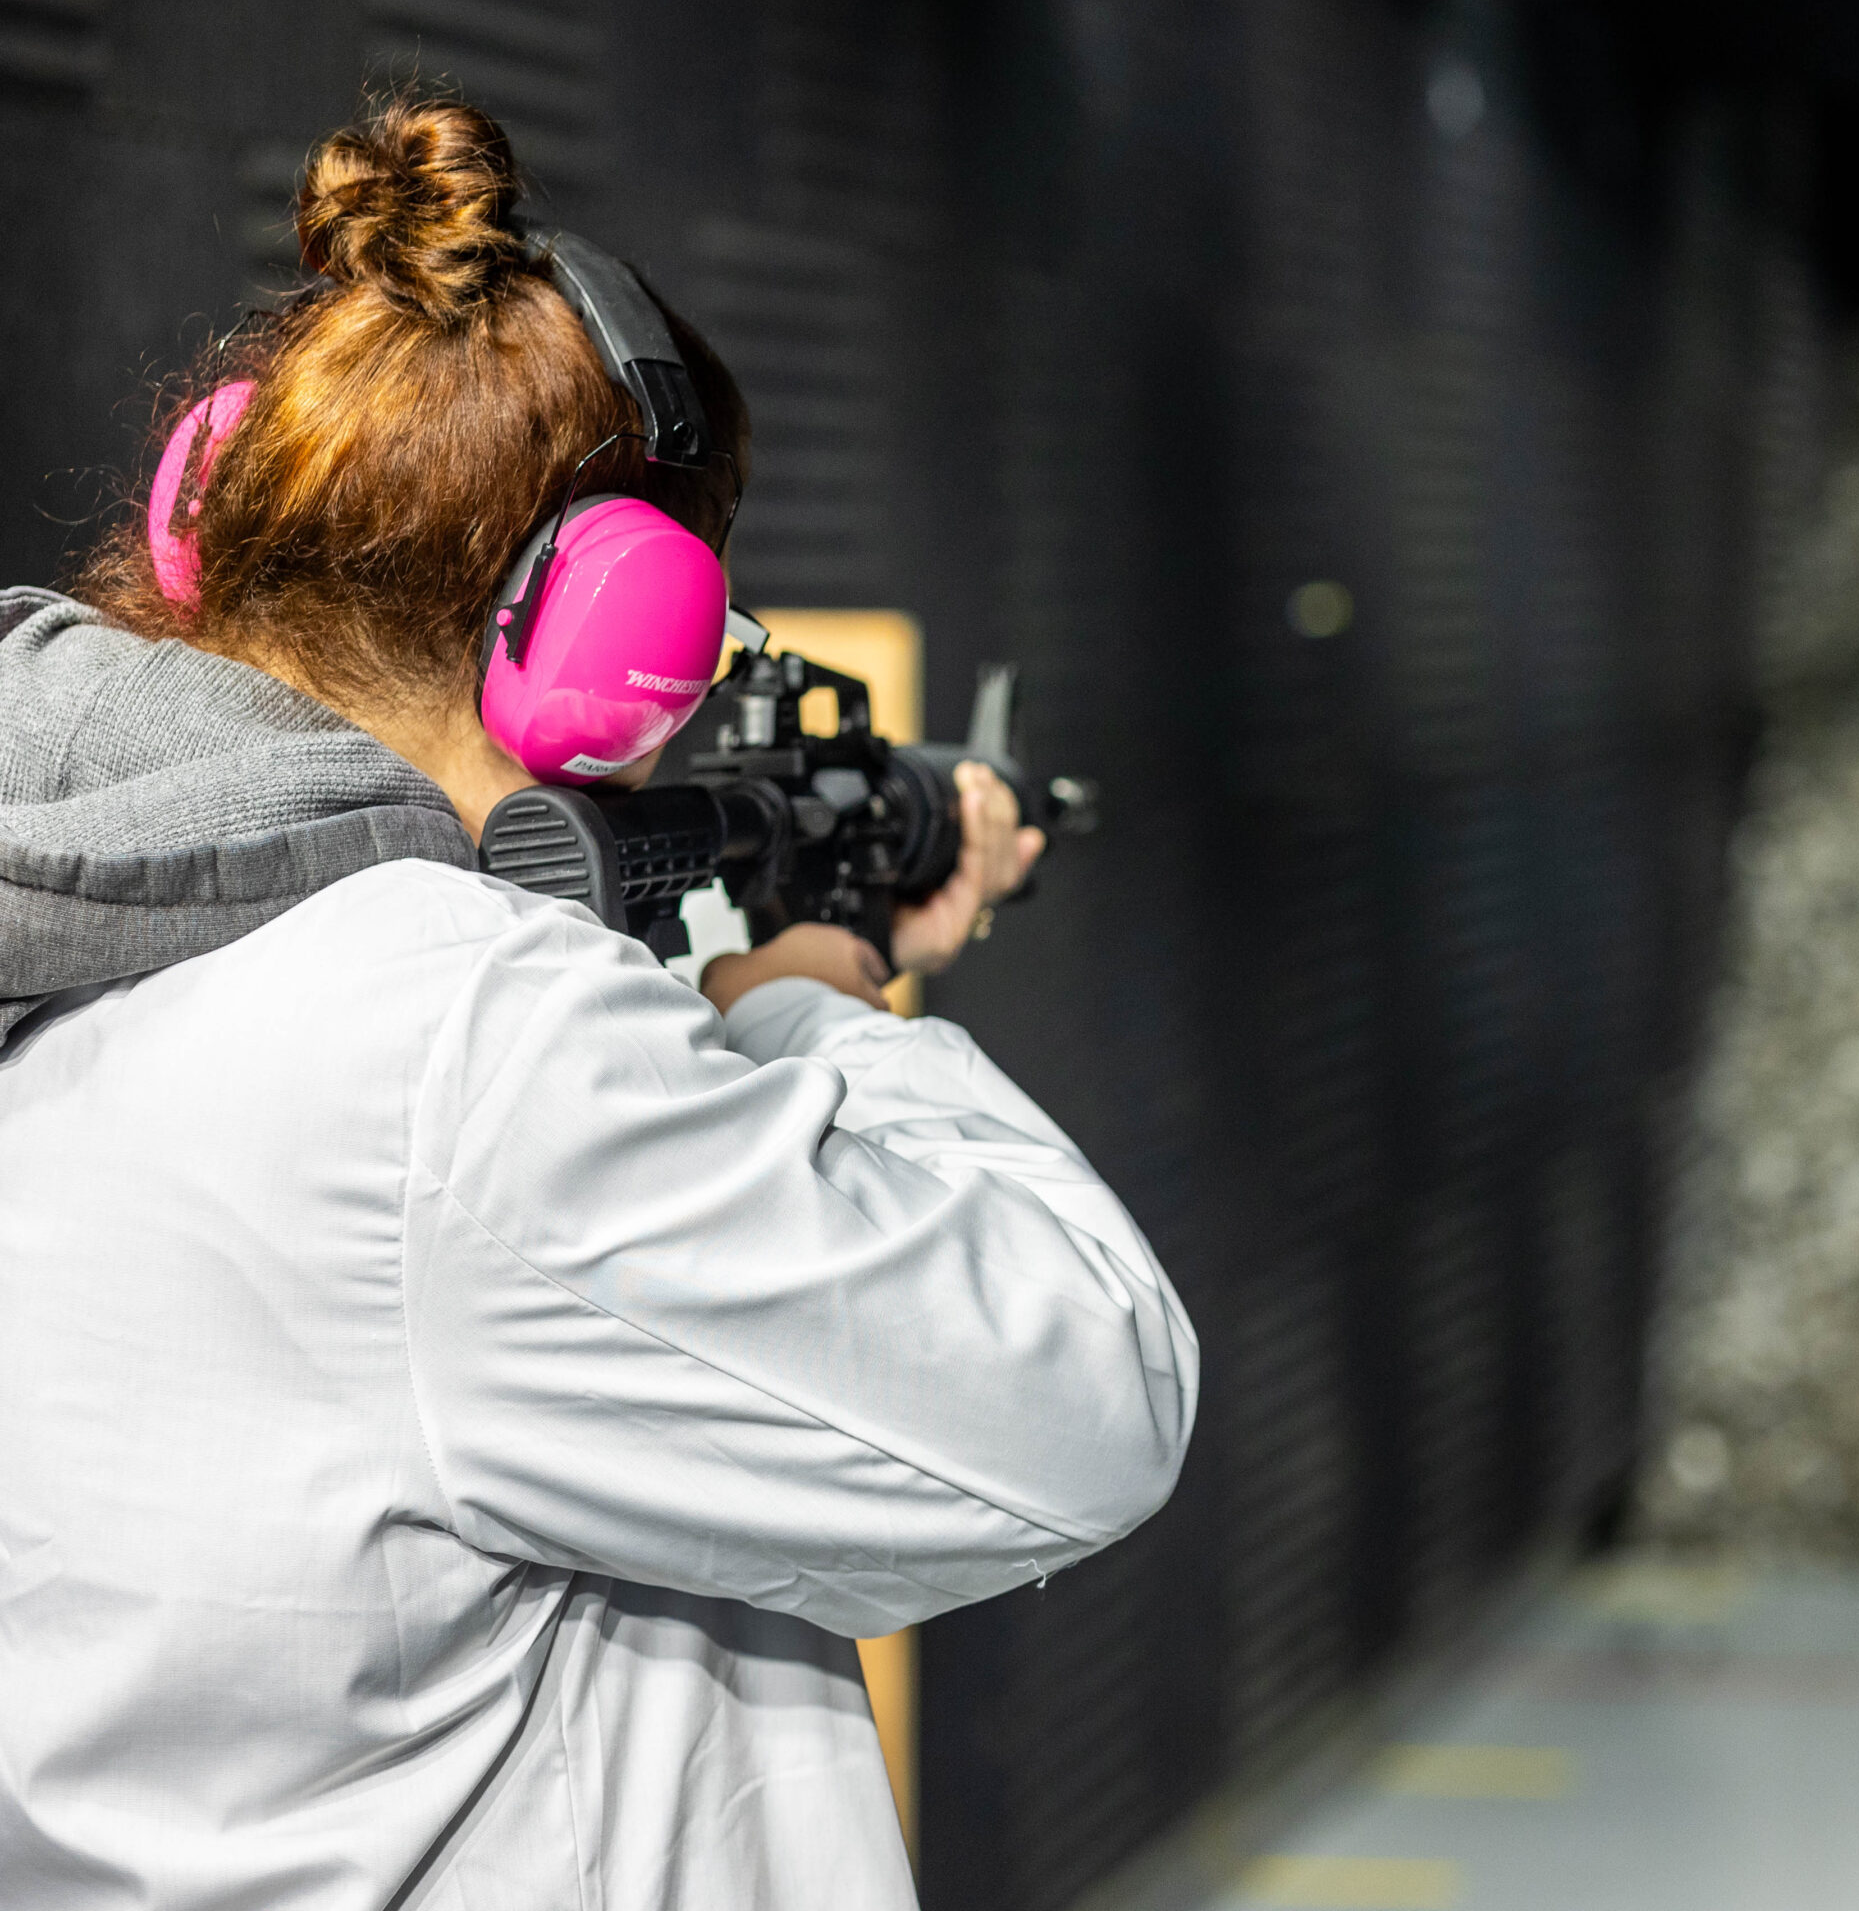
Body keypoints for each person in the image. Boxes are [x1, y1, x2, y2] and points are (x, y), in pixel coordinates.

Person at [0, 98, 1197, 1909]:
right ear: (609, 638)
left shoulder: (81, 930)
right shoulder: (451, 1043)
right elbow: (1090, 1392)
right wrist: (815, 1001)